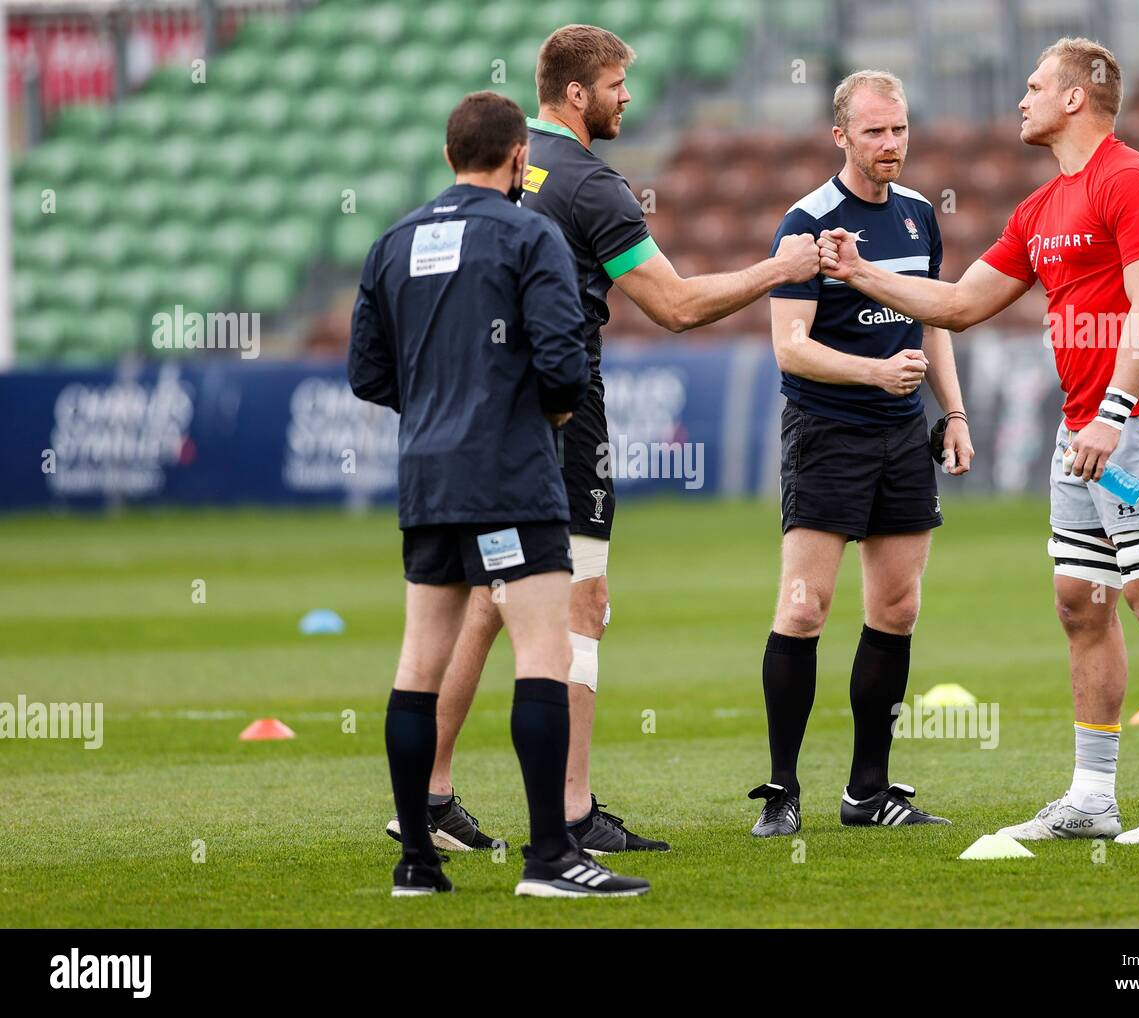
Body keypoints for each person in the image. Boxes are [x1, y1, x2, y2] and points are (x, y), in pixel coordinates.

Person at [392, 23, 821, 855]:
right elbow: (677, 306)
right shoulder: (593, 183)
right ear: (577, 92)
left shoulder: (512, 172)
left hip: (476, 409)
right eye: (619, 83)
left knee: (485, 598)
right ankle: (572, 812)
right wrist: (781, 267)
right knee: (579, 600)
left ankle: (432, 794)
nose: (630, 95)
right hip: (560, 406)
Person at [816, 38, 1139, 844]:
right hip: (1083, 432)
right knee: (1081, 604)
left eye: (1036, 85)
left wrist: (1114, 412)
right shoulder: (1042, 209)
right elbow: (963, 303)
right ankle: (1093, 797)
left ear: (1076, 99)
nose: (1023, 97)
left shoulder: (1135, 183)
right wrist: (861, 274)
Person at [350, 90, 649, 897]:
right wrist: (535, 416)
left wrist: (441, 407)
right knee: (543, 656)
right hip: (515, 474)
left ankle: (416, 860)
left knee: (418, 664)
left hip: (427, 476)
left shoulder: (393, 242)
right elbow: (564, 367)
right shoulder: (530, 233)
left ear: (450, 156)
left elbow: (368, 374)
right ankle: (551, 859)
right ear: (520, 157)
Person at [750, 70, 973, 837]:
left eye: (900, 129)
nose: (891, 145)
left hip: (902, 436)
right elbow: (790, 349)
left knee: (898, 609)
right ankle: (782, 791)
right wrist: (875, 372)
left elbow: (935, 318)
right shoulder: (807, 223)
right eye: (875, 131)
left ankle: (868, 792)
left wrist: (954, 411)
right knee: (804, 609)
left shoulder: (917, 217)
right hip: (827, 432)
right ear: (840, 136)